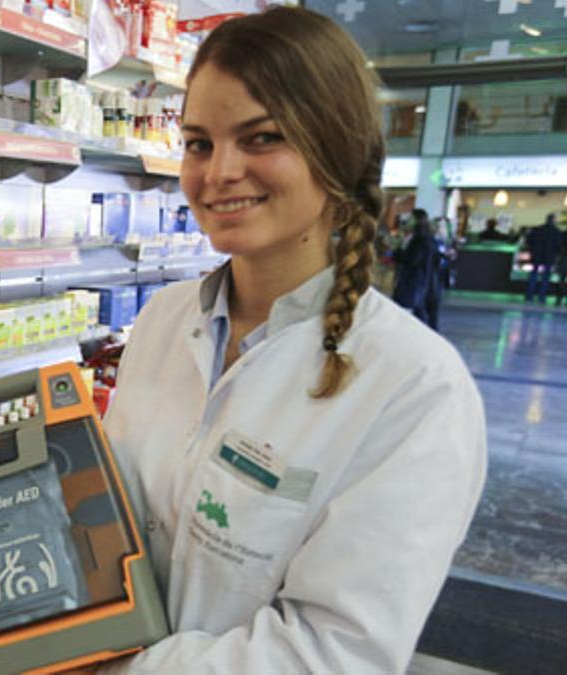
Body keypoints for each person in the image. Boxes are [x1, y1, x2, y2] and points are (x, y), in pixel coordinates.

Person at [101, 7, 486, 673]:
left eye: (260, 138)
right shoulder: (165, 319)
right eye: (198, 142)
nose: (218, 172)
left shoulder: (417, 388)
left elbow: (333, 654)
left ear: (333, 151)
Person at [391, 209, 440, 328]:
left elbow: (413, 259)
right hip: (425, 279)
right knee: (420, 307)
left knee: (418, 307)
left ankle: (424, 332)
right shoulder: (427, 237)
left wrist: (398, 253)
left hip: (415, 279)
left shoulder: (419, 238)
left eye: (410, 219)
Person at [524, 213, 561, 304]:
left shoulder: (537, 229)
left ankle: (529, 296)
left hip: (536, 256)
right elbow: (559, 246)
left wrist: (532, 251)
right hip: (549, 257)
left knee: (533, 275)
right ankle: (542, 297)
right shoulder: (556, 232)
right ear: (554, 220)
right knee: (545, 277)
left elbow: (528, 241)